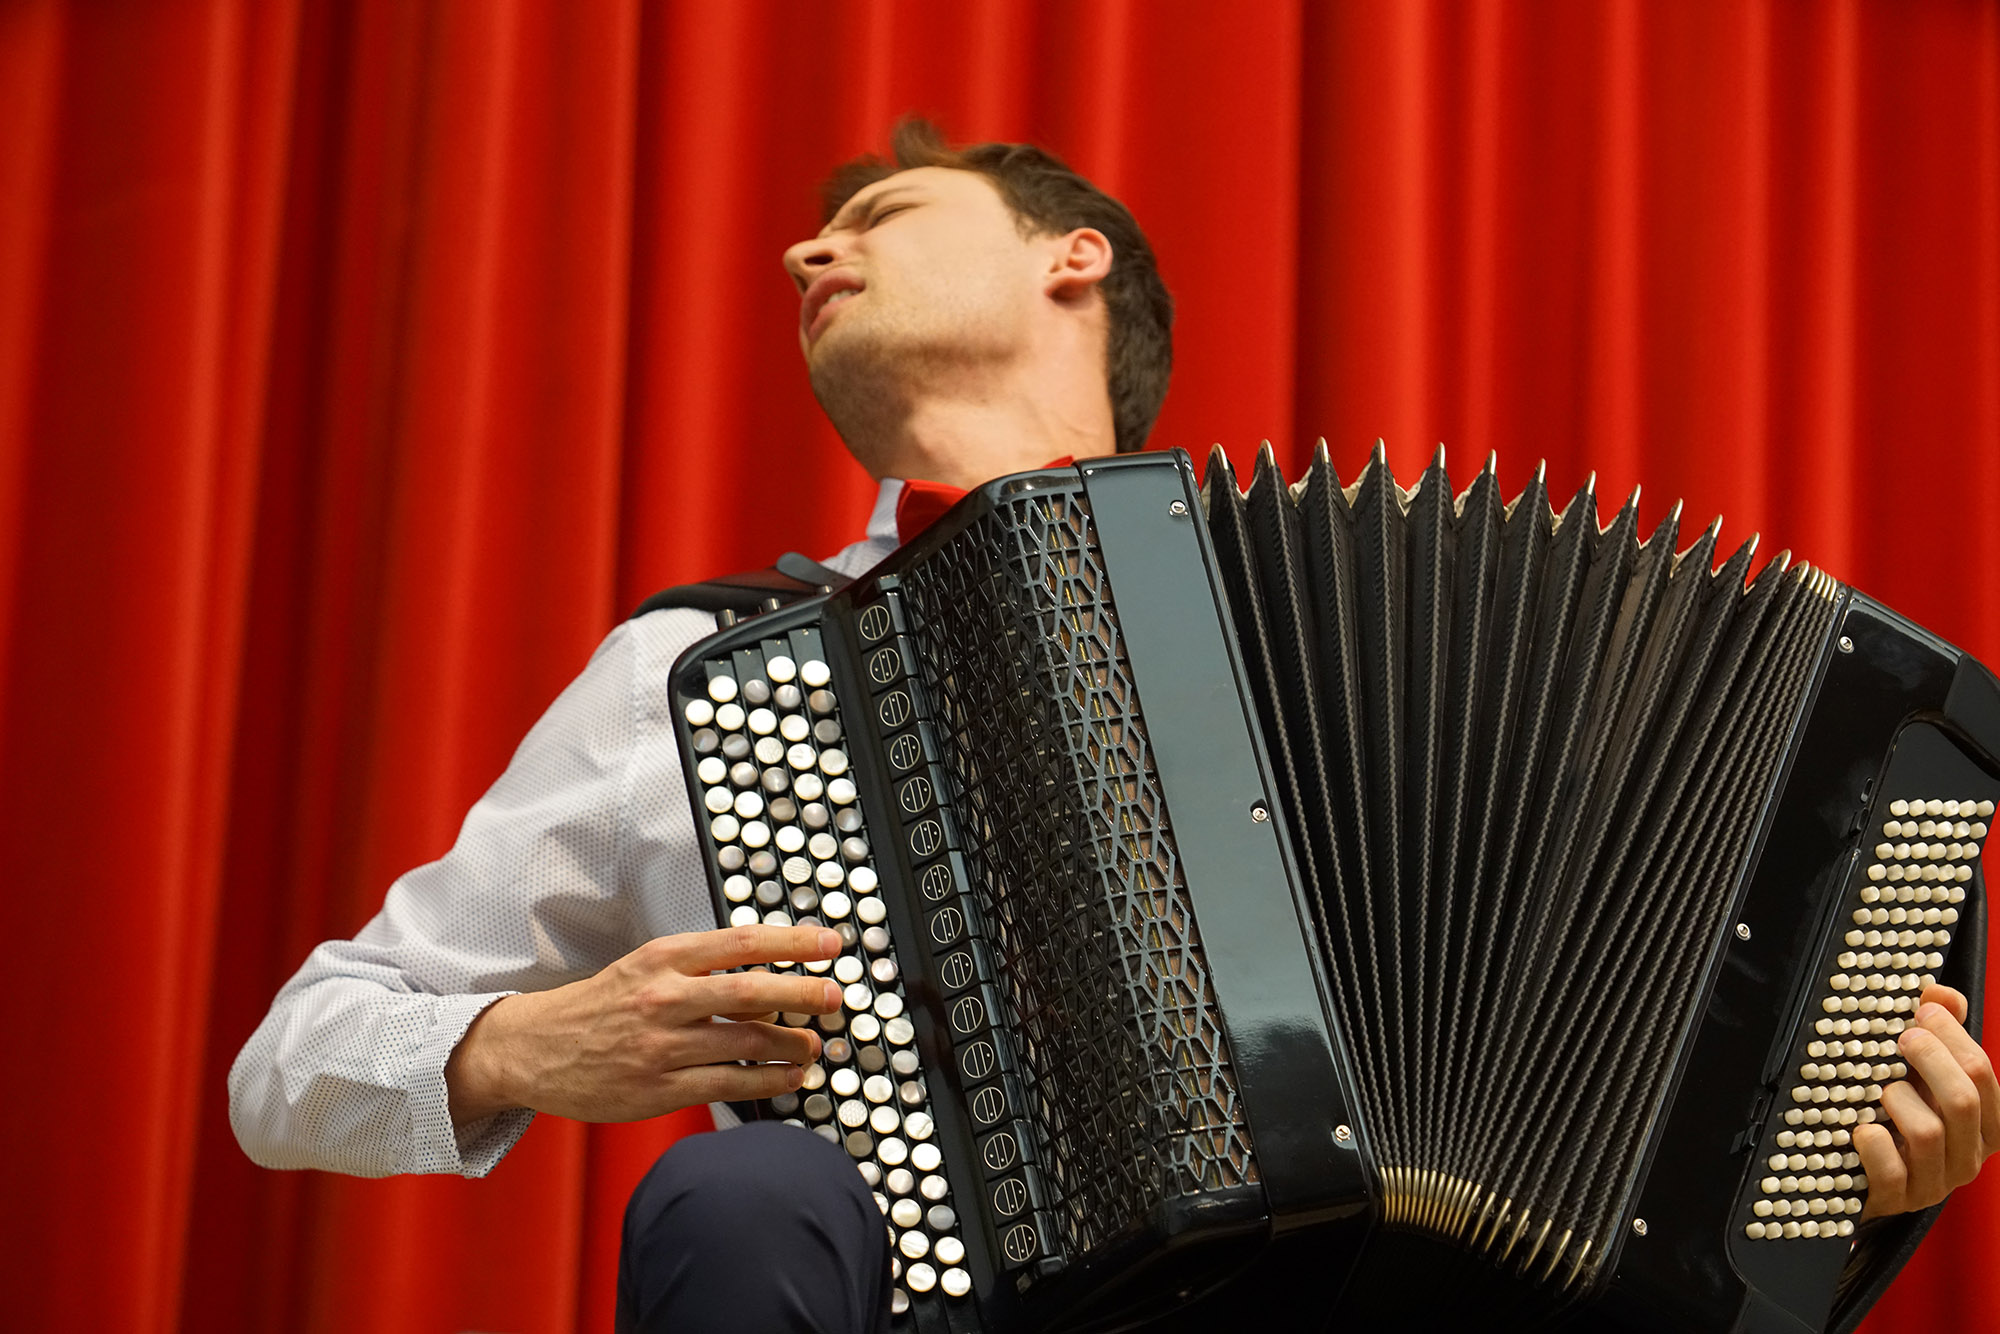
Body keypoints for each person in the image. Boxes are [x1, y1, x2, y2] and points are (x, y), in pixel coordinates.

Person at [231, 120, 1998, 1332]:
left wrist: (1868, 1166)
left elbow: (1696, 1066)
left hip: (1397, 1294)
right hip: (947, 1302)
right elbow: (293, 1057)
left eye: (881, 214)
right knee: (738, 1201)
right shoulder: (701, 666)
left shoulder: (1353, 601)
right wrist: (520, 1046)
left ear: (1073, 259)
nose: (806, 248)